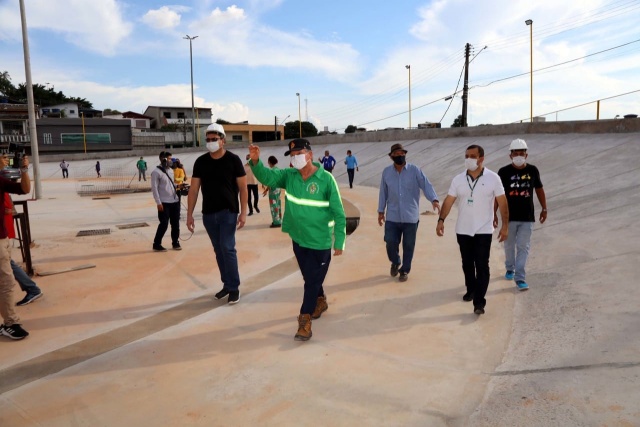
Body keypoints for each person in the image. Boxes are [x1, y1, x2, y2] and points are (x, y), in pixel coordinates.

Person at [249, 138, 346, 342]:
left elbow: (339, 212)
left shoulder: (326, 179)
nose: (295, 159)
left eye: (299, 154)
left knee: (311, 281)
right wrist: (256, 162)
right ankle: (320, 300)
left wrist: (339, 241)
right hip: (298, 239)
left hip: (320, 241)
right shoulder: (289, 176)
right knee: (310, 277)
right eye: (292, 156)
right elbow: (268, 177)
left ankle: (304, 319)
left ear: (310, 155)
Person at [436, 144, 509, 315]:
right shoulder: (458, 179)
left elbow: (503, 202)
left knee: (482, 264)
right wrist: (441, 220)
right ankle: (471, 289)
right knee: (467, 263)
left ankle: (479, 302)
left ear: (481, 158)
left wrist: (505, 225)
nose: (469, 159)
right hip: (463, 229)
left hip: (484, 229)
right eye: (466, 156)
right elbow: (449, 201)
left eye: (472, 156)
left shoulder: (493, 178)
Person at [187, 123, 247, 305]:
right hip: (208, 214)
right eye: (208, 139)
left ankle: (234, 288)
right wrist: (189, 214)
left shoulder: (233, 160)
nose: (211, 142)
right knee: (219, 250)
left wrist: (243, 213)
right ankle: (227, 284)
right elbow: (194, 190)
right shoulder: (201, 162)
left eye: (214, 139)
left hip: (228, 212)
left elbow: (243, 188)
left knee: (227, 248)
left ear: (223, 140)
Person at [378, 143, 440, 283]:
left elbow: (426, 184)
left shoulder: (415, 170)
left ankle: (404, 270)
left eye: (402, 153)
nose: (400, 156)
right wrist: (381, 211)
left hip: (410, 217)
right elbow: (383, 192)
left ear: (405, 154)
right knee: (390, 242)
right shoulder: (386, 172)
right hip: (392, 216)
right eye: (396, 154)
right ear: (391, 156)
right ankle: (395, 261)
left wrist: (434, 199)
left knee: (408, 246)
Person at [496, 138, 547, 291]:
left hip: (527, 217)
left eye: (521, 153)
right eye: (515, 153)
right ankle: (510, 268)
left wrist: (544, 208)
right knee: (509, 245)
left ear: (526, 155)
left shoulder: (533, 170)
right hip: (508, 217)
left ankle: (520, 278)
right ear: (510, 155)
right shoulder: (503, 172)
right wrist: (493, 214)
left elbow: (539, 189)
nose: (518, 156)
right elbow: (498, 195)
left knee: (523, 246)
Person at [0, 153, 31, 340]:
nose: (4, 159)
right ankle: (10, 323)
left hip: (3, 238)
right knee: (6, 282)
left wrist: (24, 170)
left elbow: (24, 189)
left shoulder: (1, 180)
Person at [4, 194, 43, 306]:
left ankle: (32, 288)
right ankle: (32, 288)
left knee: (7, 262)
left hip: (2, 232)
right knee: (7, 262)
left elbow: (7, 210)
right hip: (4, 230)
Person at [150, 151, 181, 252]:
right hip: (164, 202)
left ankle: (175, 243)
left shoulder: (171, 170)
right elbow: (154, 188)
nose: (171, 161)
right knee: (164, 224)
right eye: (169, 159)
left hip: (174, 201)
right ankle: (156, 244)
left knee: (175, 223)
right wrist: (158, 202)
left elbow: (170, 184)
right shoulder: (156, 172)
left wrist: (179, 186)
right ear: (163, 159)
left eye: (171, 158)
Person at [261, 156, 282, 228]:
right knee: (278, 205)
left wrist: (266, 190)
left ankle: (276, 222)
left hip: (273, 191)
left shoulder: (271, 171)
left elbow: (270, 182)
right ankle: (279, 220)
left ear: (270, 162)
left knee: (274, 206)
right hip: (278, 189)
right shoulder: (278, 170)